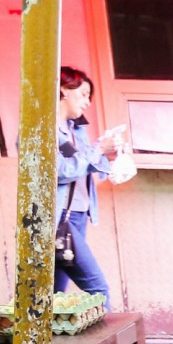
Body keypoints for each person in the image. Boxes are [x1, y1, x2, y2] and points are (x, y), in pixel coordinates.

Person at [55, 66, 119, 304]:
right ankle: (110, 330)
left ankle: (45, 330)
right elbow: (61, 172)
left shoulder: (75, 129)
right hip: (60, 217)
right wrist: (98, 150)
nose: (87, 102)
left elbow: (81, 166)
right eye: (83, 94)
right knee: (97, 288)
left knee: (52, 294)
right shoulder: (43, 131)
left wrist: (107, 155)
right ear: (64, 90)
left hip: (78, 214)